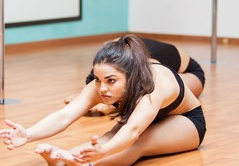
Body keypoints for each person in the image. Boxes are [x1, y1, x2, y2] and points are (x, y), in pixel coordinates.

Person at [0, 34, 206, 166]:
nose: (102, 88)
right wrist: (28, 134)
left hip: (185, 121)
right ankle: (64, 160)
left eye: (111, 81)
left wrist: (104, 151)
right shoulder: (102, 83)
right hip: (143, 119)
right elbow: (65, 116)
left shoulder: (154, 85)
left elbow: (133, 130)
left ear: (131, 76)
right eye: (97, 79)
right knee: (111, 135)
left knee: (137, 141)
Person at [65, 37, 205, 115]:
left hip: (190, 73)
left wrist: (114, 106)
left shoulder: (146, 63)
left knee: (158, 90)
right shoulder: (106, 63)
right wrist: (85, 97)